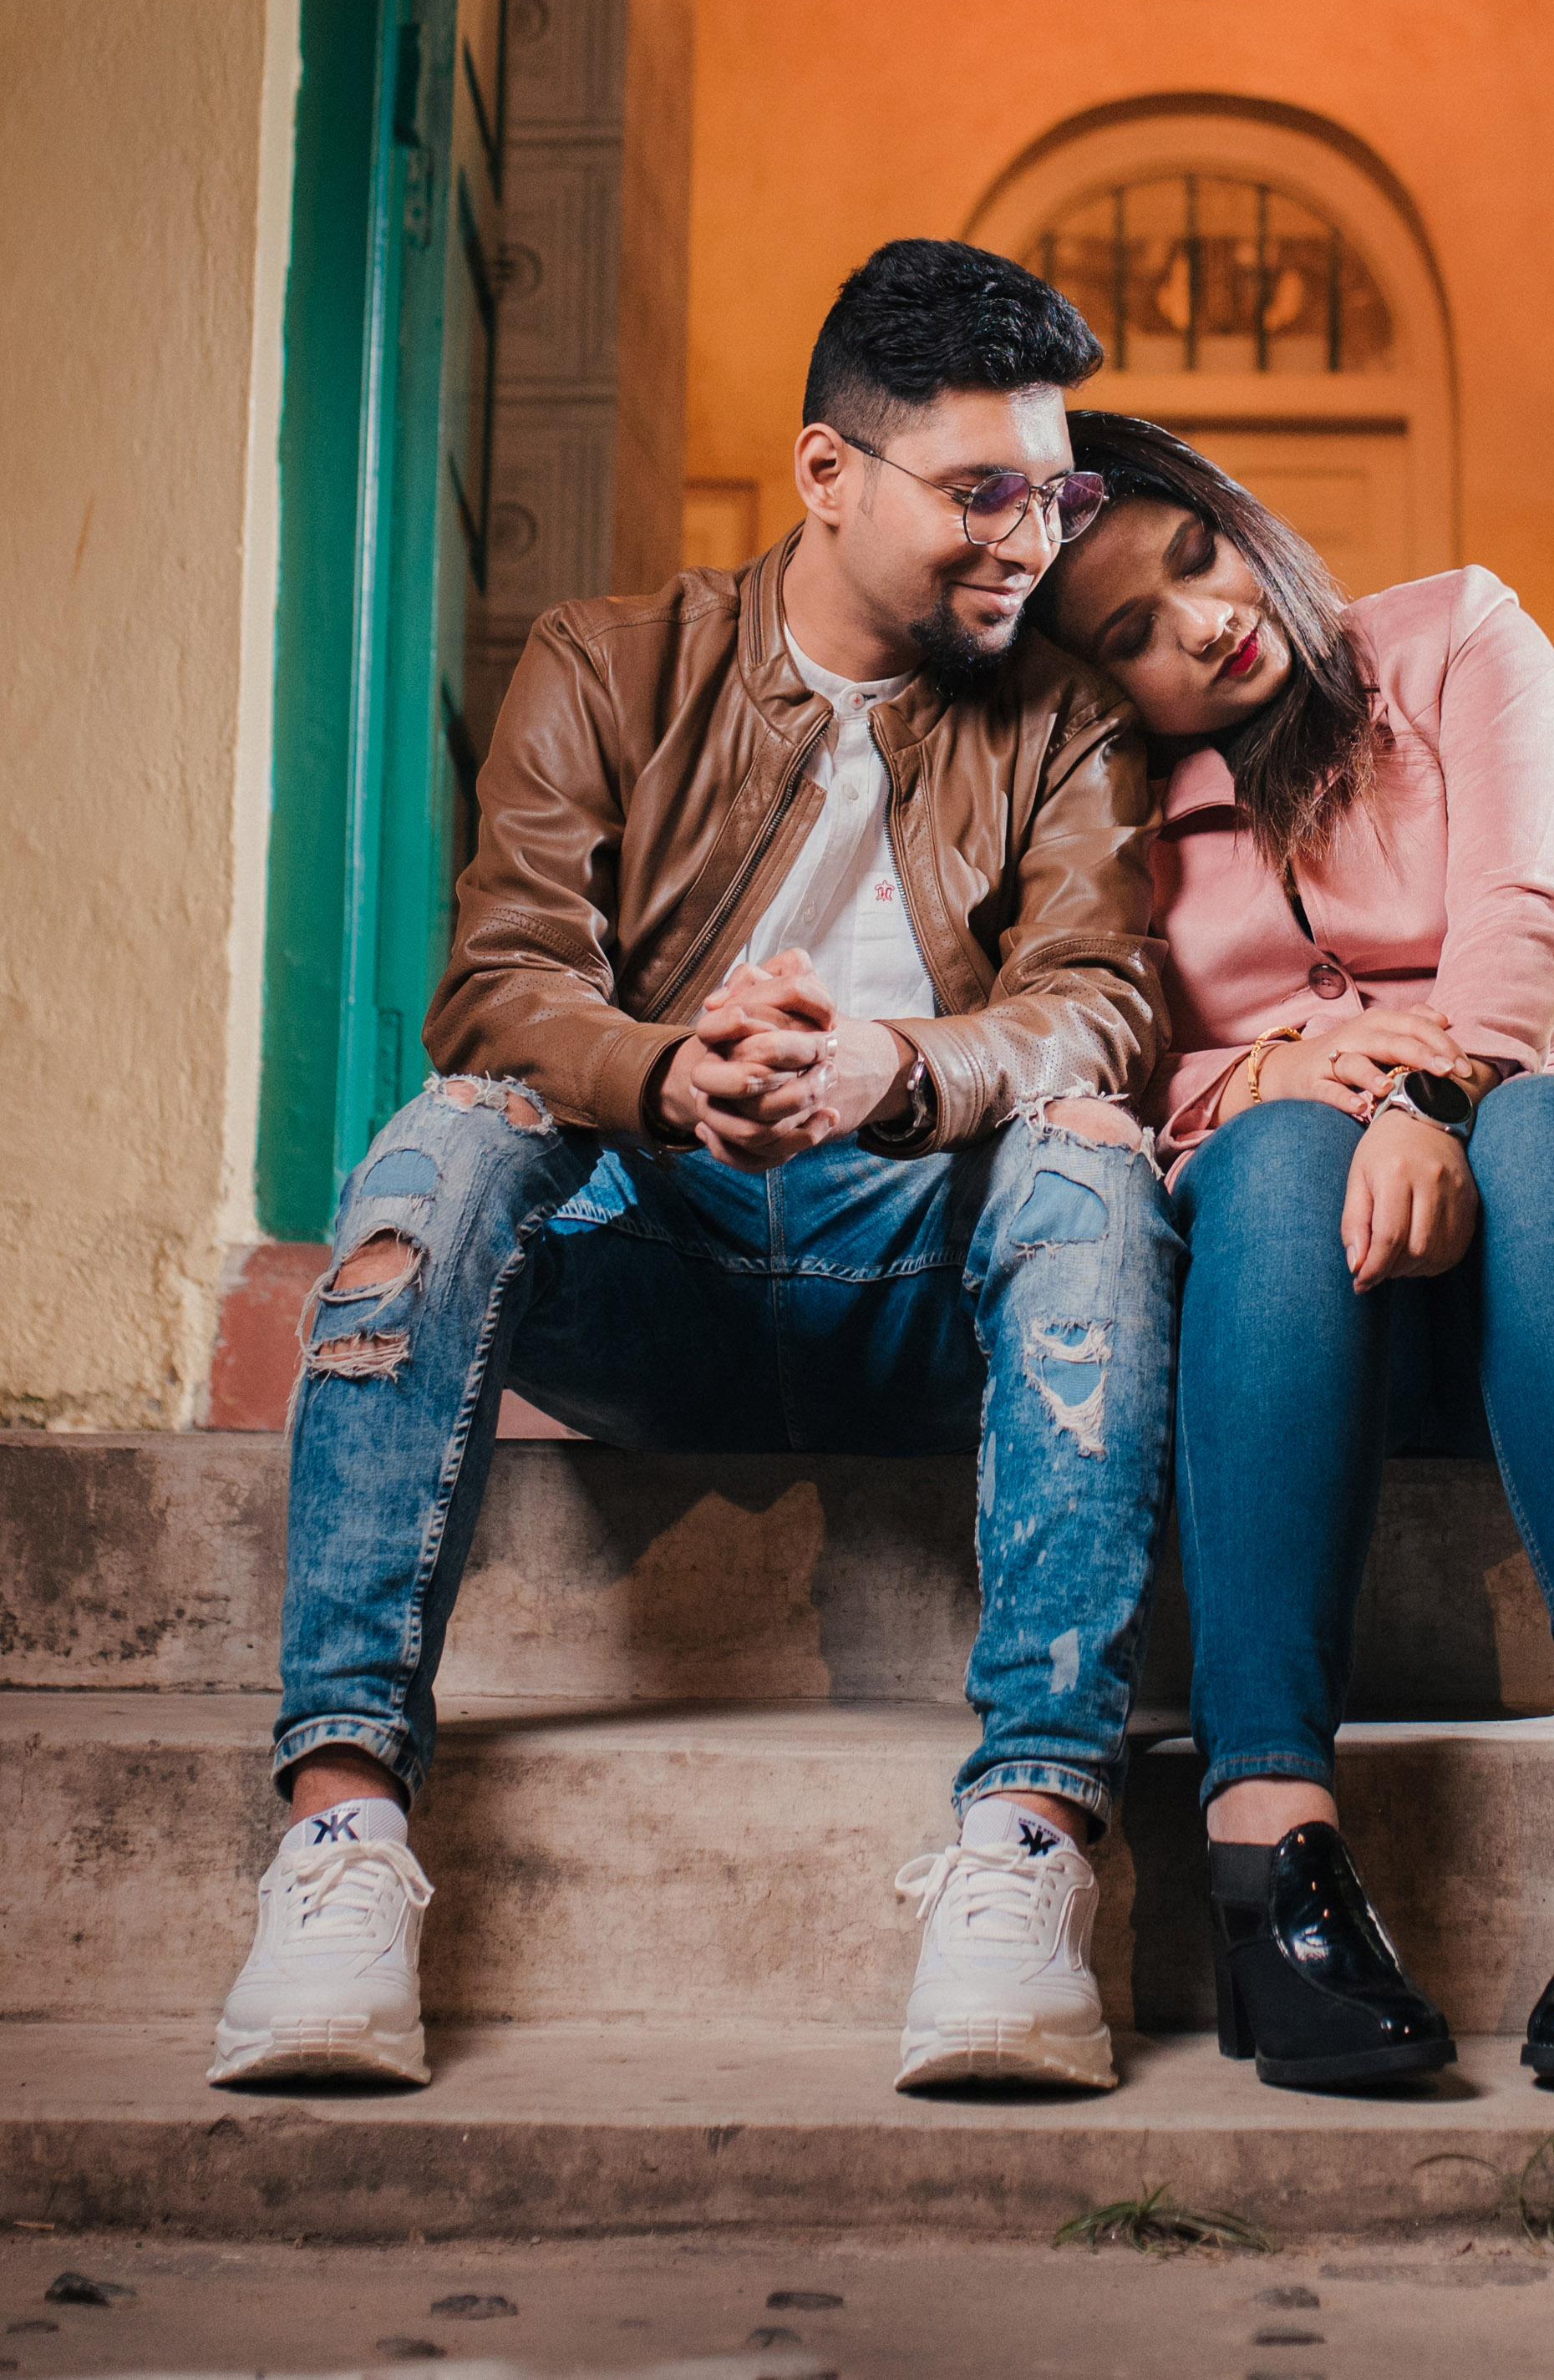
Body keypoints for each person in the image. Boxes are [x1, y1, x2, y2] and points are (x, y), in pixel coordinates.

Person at [211, 241, 1181, 2100]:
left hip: (922, 1280)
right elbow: (502, 984)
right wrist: (672, 1077)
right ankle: (339, 1832)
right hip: (651, 1264)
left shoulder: (1065, 717)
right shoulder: (608, 662)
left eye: (1051, 498)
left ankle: (1029, 1841)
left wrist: (896, 1068)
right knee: (445, 1134)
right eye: (980, 493)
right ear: (828, 472)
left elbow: (1095, 1001)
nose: (1028, 542)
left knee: (1088, 1155)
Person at [1028, 410, 1554, 2095]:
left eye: (1199, 555)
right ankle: (1270, 1845)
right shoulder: (1107, 802)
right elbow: (1098, 1041)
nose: (1205, 620)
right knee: (1271, 1158)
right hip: (1317, 1296)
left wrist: (1433, 1090)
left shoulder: (1457, 636)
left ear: (1241, 520)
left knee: (1544, 1131)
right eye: (1133, 633)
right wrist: (1262, 1072)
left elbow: (1541, 900)